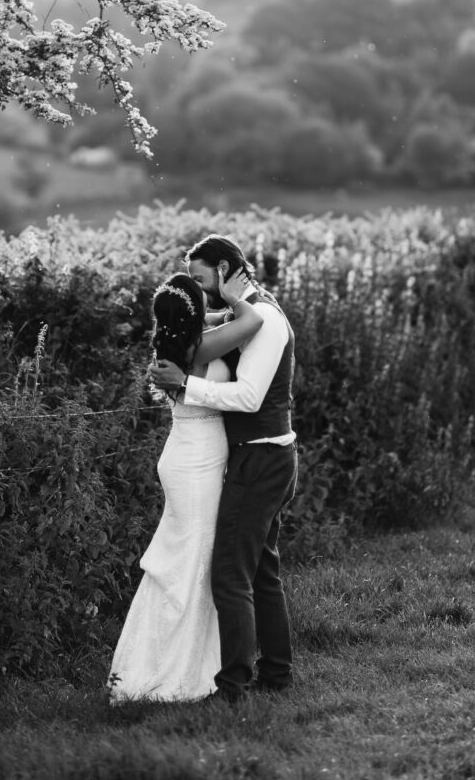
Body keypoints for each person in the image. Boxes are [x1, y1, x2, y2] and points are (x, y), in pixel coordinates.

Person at [151, 234, 298, 703]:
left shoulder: (266, 320)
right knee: (260, 572)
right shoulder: (245, 311)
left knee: (230, 575)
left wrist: (188, 388)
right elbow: (197, 326)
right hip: (260, 454)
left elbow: (250, 397)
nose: (199, 289)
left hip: (261, 456)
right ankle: (276, 675)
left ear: (226, 269)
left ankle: (233, 685)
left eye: (201, 278)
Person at [108, 269, 264, 703]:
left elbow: (210, 319)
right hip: (197, 462)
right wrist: (235, 297)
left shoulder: (175, 340)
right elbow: (252, 321)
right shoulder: (201, 345)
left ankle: (182, 658)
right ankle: (177, 669)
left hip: (183, 455)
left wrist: (212, 309)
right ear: (194, 311)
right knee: (194, 562)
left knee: (186, 558)